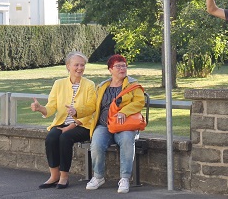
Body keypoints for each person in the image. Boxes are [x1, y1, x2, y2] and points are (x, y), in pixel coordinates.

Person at [69, 54, 145, 194]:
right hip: (104, 125)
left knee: (128, 141)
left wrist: (125, 112)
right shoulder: (102, 86)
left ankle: (125, 179)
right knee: (96, 143)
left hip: (125, 126)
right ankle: (98, 177)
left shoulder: (133, 85)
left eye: (124, 65)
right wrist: (76, 111)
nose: (122, 68)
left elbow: (139, 102)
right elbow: (92, 106)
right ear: (110, 69)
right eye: (118, 66)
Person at [30, 51, 96, 189]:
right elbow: (51, 107)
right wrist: (40, 108)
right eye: (76, 65)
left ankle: (64, 177)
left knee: (65, 137)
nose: (79, 68)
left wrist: (75, 119)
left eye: (82, 65)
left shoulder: (89, 85)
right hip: (61, 122)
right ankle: (54, 176)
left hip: (83, 125)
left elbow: (92, 109)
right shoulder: (58, 84)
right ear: (68, 66)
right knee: (51, 138)